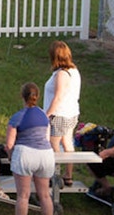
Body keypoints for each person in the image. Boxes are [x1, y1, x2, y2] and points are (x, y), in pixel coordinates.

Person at [5, 82, 55, 214]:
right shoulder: (44, 116)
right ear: (37, 96)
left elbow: (9, 144)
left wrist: (11, 156)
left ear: (22, 96)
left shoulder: (17, 117)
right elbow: (47, 138)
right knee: (44, 195)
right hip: (46, 155)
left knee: (23, 196)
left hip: (25, 154)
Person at [43, 41, 81, 186]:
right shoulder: (74, 71)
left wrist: (47, 114)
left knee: (53, 144)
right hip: (71, 113)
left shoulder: (61, 74)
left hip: (59, 115)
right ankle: (68, 175)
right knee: (67, 142)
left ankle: (55, 175)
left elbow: (58, 97)